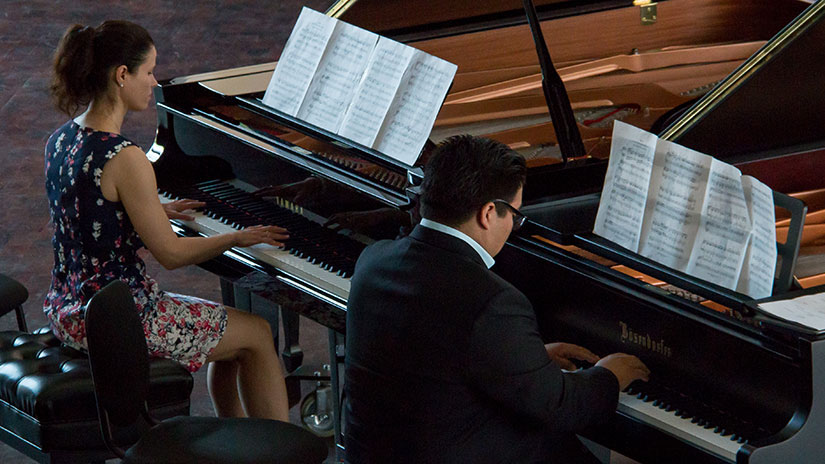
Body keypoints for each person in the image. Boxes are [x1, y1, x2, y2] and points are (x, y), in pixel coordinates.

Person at [344, 135, 651, 463]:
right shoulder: (493, 301)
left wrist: (525, 360)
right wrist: (610, 375)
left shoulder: (373, 259)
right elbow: (563, 408)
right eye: (515, 216)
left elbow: (433, 352)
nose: (513, 225)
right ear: (489, 212)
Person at [44, 20, 290, 421]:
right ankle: (275, 447)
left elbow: (88, 216)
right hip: (123, 320)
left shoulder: (60, 139)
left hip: (70, 311)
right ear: (122, 75)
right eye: (149, 71)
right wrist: (236, 237)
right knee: (258, 335)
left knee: (231, 338)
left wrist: (150, 211)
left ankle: (237, 439)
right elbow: (172, 255)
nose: (154, 82)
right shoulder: (126, 157)